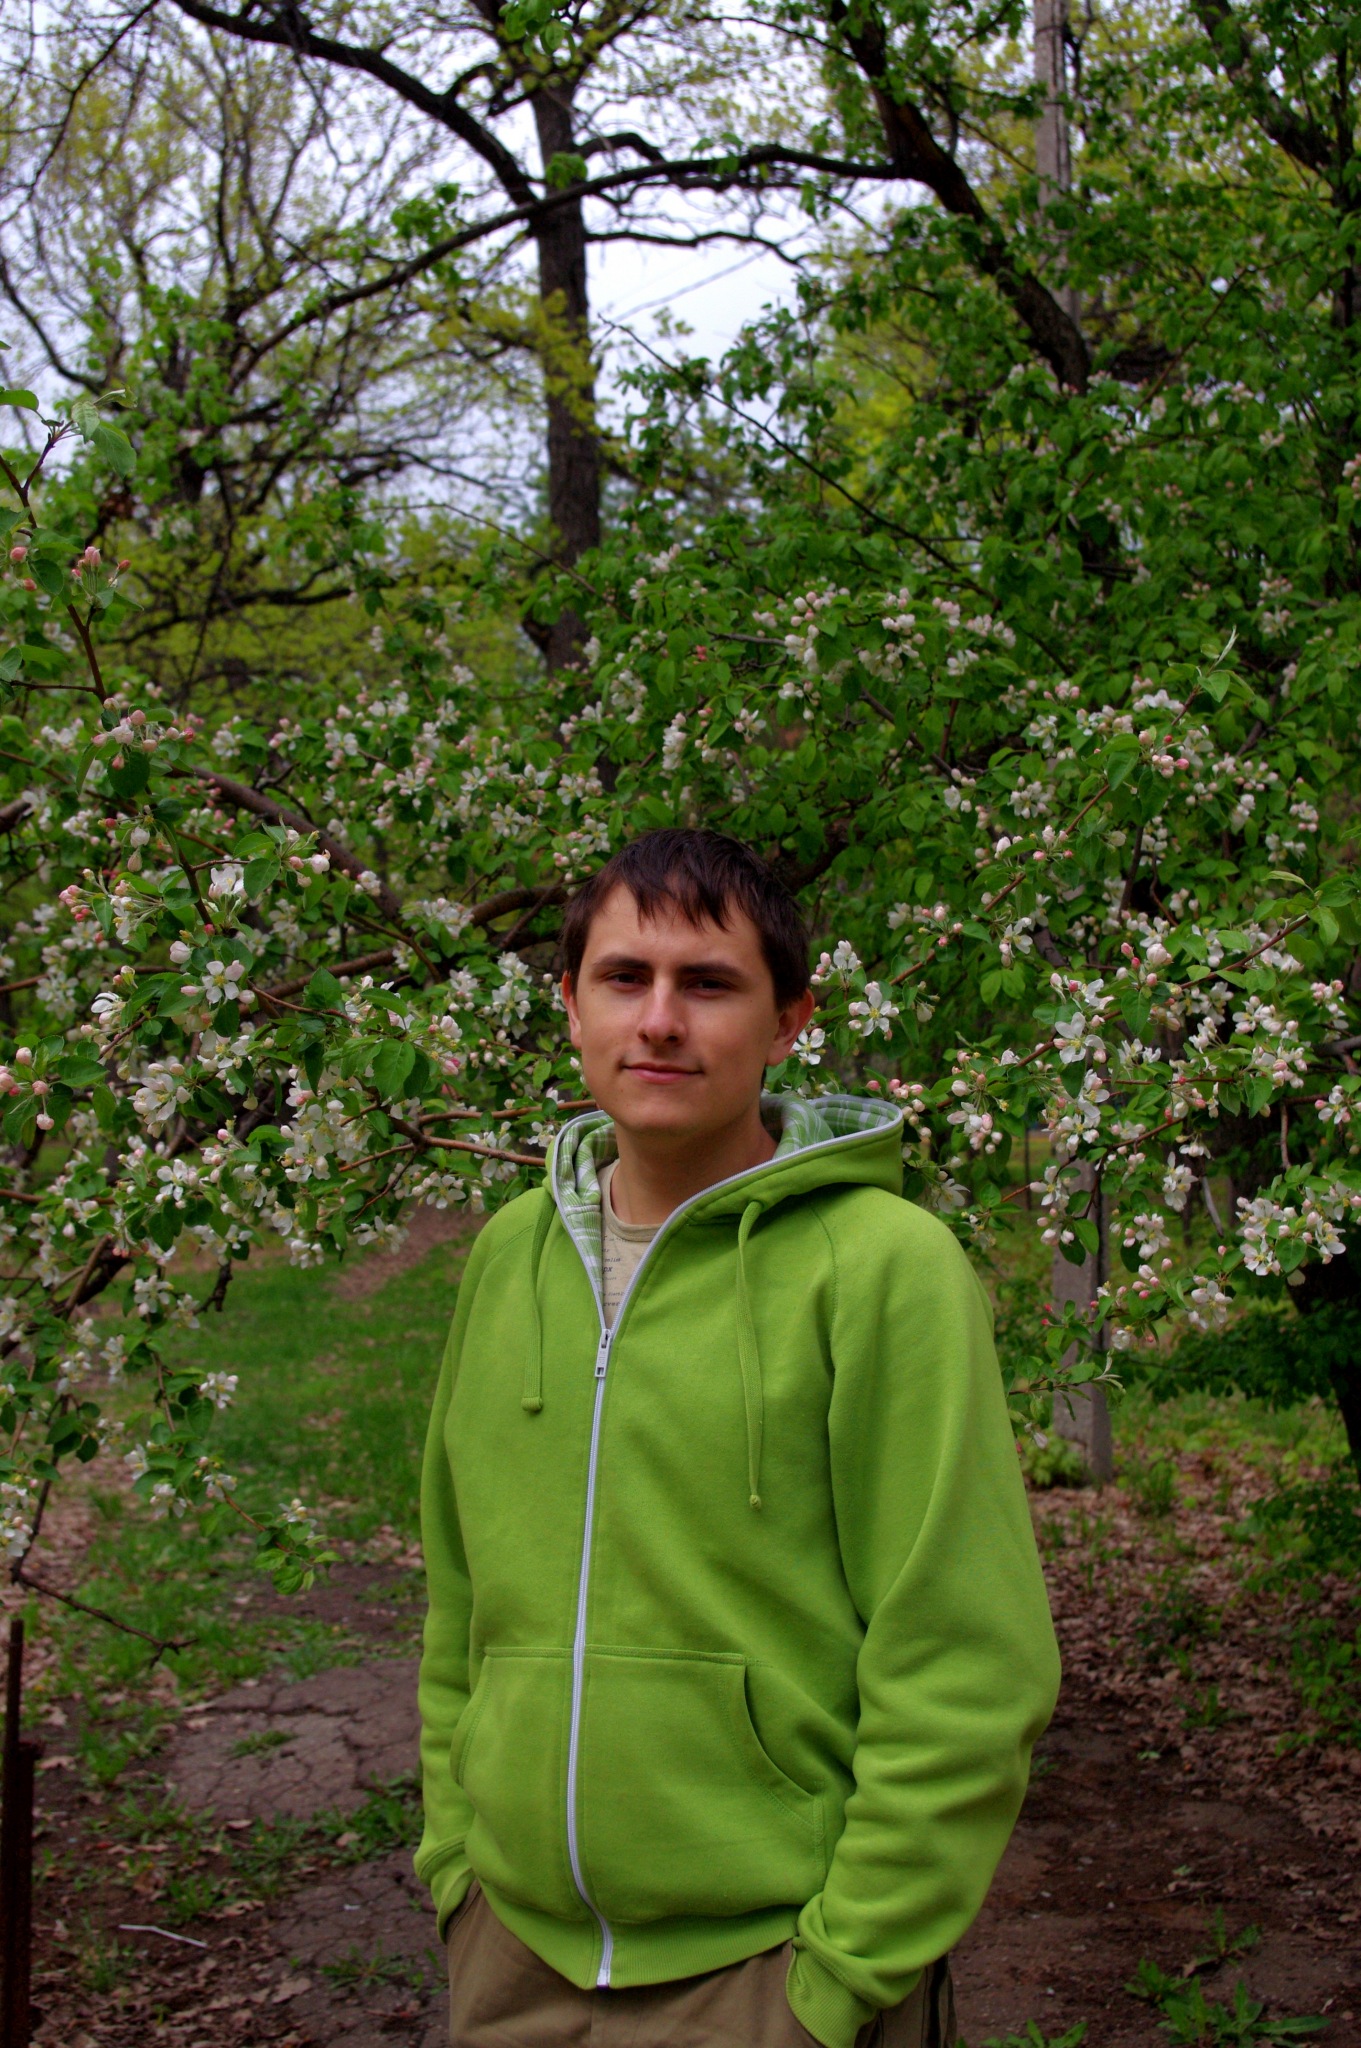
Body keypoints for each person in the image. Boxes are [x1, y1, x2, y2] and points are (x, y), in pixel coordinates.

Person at [415, 828, 1060, 2048]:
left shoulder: (883, 1268)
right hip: (512, 1959)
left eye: (707, 983)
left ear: (787, 1021)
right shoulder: (510, 1255)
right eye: (624, 976)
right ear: (570, 1004)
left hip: (770, 1970)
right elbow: (460, 1600)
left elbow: (966, 1661)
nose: (659, 1020)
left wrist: (841, 1973)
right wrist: (458, 1867)